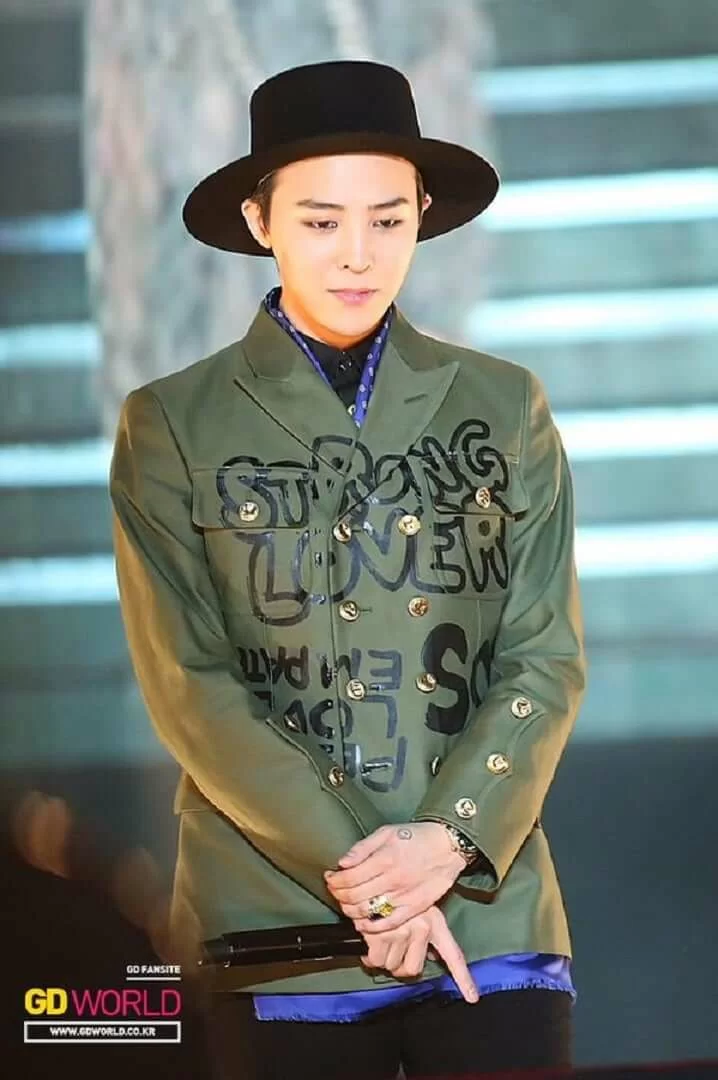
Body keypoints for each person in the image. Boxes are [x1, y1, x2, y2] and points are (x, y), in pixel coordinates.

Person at [109, 59, 586, 1080]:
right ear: (259, 220)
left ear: (423, 216)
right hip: (274, 919)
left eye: (388, 219)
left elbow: (543, 656)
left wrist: (445, 842)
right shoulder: (172, 424)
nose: (359, 254)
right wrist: (375, 882)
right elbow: (190, 685)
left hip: (486, 904)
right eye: (321, 221)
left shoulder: (504, 406)